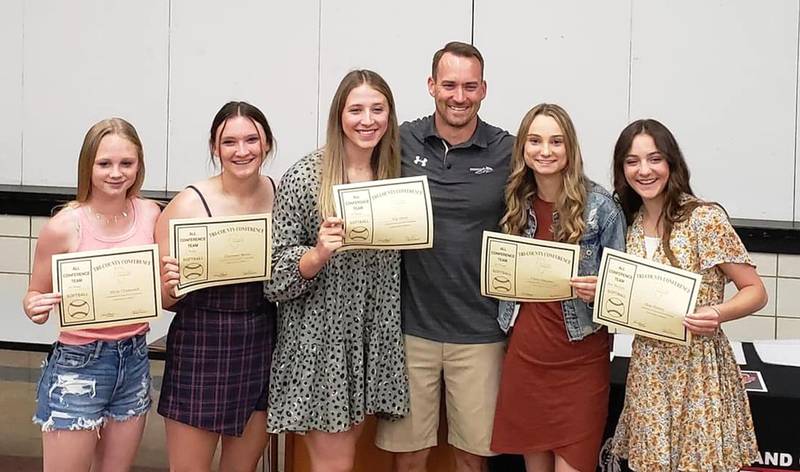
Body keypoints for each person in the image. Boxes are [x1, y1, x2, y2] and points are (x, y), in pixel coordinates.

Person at [375, 41, 514, 472]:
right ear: (431, 85)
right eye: (449, 85)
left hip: (481, 329)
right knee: (411, 453)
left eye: (470, 86)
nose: (459, 96)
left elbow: (559, 190)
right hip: (409, 328)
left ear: (484, 89)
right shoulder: (398, 141)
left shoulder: (508, 150)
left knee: (473, 455)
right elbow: (349, 173)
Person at [264, 69, 408, 472]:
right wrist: (317, 254)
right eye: (356, 109)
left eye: (377, 109)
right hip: (322, 342)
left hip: (370, 337)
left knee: (347, 454)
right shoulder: (306, 178)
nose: (368, 120)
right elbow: (273, 279)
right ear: (338, 115)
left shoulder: (395, 177)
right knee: (336, 461)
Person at [610, 119, 767, 471]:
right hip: (649, 371)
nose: (644, 170)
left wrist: (718, 313)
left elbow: (756, 291)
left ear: (671, 164)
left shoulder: (703, 219)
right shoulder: (629, 223)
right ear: (622, 169)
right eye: (632, 161)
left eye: (654, 159)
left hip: (698, 371)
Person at [489, 103, 626, 472]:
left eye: (555, 142)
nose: (545, 151)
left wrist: (603, 292)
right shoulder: (513, 201)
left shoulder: (601, 208)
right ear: (523, 149)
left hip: (580, 362)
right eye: (534, 141)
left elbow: (624, 295)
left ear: (570, 149)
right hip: (527, 359)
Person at [24, 118, 161, 472]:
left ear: (139, 166)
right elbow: (34, 295)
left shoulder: (150, 214)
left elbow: (160, 284)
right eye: (105, 164)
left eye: (126, 164)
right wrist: (36, 307)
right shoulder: (64, 226)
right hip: (80, 364)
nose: (116, 173)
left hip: (134, 356)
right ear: (88, 165)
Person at [156, 101, 277, 471]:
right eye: (230, 142)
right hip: (202, 343)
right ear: (214, 147)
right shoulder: (187, 206)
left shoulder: (280, 193)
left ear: (267, 144)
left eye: (252, 139)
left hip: (262, 340)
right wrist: (171, 284)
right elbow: (163, 299)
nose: (242, 151)